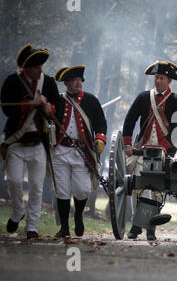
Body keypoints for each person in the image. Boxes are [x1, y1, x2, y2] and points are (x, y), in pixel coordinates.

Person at [123, 61, 177, 241]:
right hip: (142, 149)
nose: (158, 81)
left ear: (169, 81)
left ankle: (150, 228)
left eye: (161, 78)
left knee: (157, 190)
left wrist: (166, 146)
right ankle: (136, 224)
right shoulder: (144, 97)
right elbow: (130, 120)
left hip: (165, 150)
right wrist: (128, 144)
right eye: (156, 77)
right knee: (136, 186)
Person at [1, 44, 59, 239]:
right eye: (36, 66)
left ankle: (32, 227)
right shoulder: (12, 82)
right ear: (26, 68)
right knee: (15, 182)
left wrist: (47, 107)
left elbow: (56, 108)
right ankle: (18, 211)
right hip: (16, 142)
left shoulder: (48, 83)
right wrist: (29, 104)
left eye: (41, 65)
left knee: (36, 187)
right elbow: (7, 109)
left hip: (38, 144)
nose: (40, 69)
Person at [52, 65, 107, 238]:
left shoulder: (91, 100)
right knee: (62, 190)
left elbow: (101, 123)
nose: (78, 82)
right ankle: (64, 228)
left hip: (82, 152)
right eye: (74, 80)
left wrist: (100, 138)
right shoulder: (58, 100)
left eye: (80, 80)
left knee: (82, 190)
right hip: (61, 150)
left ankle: (78, 216)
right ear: (66, 83)